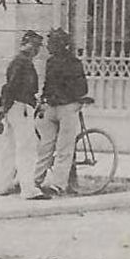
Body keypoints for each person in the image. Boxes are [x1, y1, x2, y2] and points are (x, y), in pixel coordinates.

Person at [0, 31, 48, 200]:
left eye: (38, 46)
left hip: (16, 108)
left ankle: (0, 186)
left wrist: (3, 109)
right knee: (26, 149)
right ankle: (28, 190)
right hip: (20, 108)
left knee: (10, 148)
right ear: (24, 43)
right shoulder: (22, 63)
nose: (35, 50)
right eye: (33, 45)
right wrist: (2, 109)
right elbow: (10, 87)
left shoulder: (21, 62)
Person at [34, 29, 88, 195]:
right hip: (66, 107)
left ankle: (35, 180)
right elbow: (82, 88)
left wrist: (43, 100)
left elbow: (47, 86)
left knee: (46, 146)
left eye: (51, 44)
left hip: (52, 107)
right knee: (64, 147)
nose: (49, 47)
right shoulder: (75, 63)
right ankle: (58, 184)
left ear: (59, 45)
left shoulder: (51, 62)